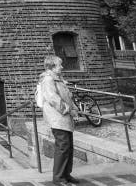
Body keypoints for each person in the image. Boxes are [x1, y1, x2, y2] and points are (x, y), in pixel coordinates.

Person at [39, 54, 80, 185]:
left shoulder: (58, 79)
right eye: (59, 65)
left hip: (64, 117)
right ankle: (58, 177)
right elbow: (53, 99)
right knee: (62, 147)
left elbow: (67, 96)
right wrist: (68, 110)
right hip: (57, 118)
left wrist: (74, 109)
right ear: (52, 67)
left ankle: (66, 174)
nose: (62, 67)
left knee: (68, 146)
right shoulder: (48, 80)